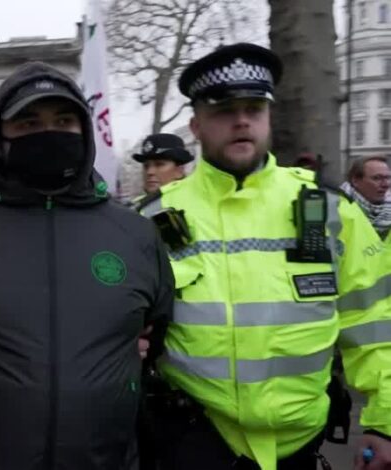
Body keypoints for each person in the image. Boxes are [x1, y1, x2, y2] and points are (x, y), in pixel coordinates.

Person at [0, 62, 173, 469]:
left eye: (64, 120)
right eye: (28, 123)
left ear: (84, 131)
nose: (48, 133)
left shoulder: (135, 235)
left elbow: (156, 335)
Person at [137, 43, 391, 470]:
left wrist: (384, 421)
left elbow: (374, 323)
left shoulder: (330, 210)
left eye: (254, 108)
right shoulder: (153, 217)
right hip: (195, 442)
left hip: (302, 447)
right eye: (223, 110)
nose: (241, 121)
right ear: (195, 126)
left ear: (268, 117)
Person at [340, 156, 391, 241]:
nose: (385, 184)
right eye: (377, 178)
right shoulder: (338, 210)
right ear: (356, 181)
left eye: (388, 178)